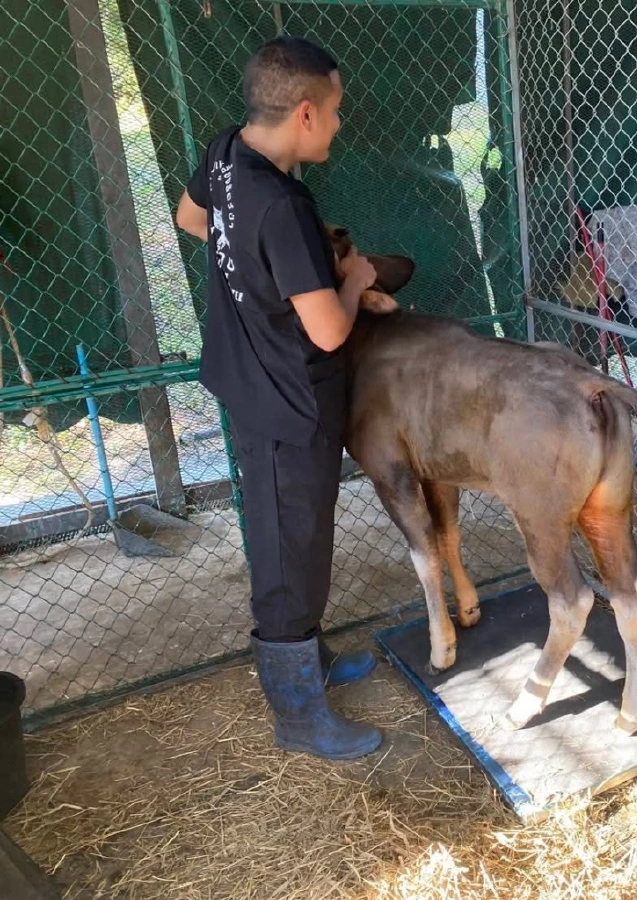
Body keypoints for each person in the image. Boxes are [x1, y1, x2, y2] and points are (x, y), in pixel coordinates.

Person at [175, 35, 394, 760]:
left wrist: (263, 283)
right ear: (303, 113)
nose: (338, 125)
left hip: (254, 376)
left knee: (298, 541)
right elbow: (330, 331)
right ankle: (298, 714)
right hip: (286, 400)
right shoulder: (284, 206)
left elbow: (193, 221)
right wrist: (357, 280)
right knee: (288, 556)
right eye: (333, 112)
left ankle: (312, 662)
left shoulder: (225, 152)